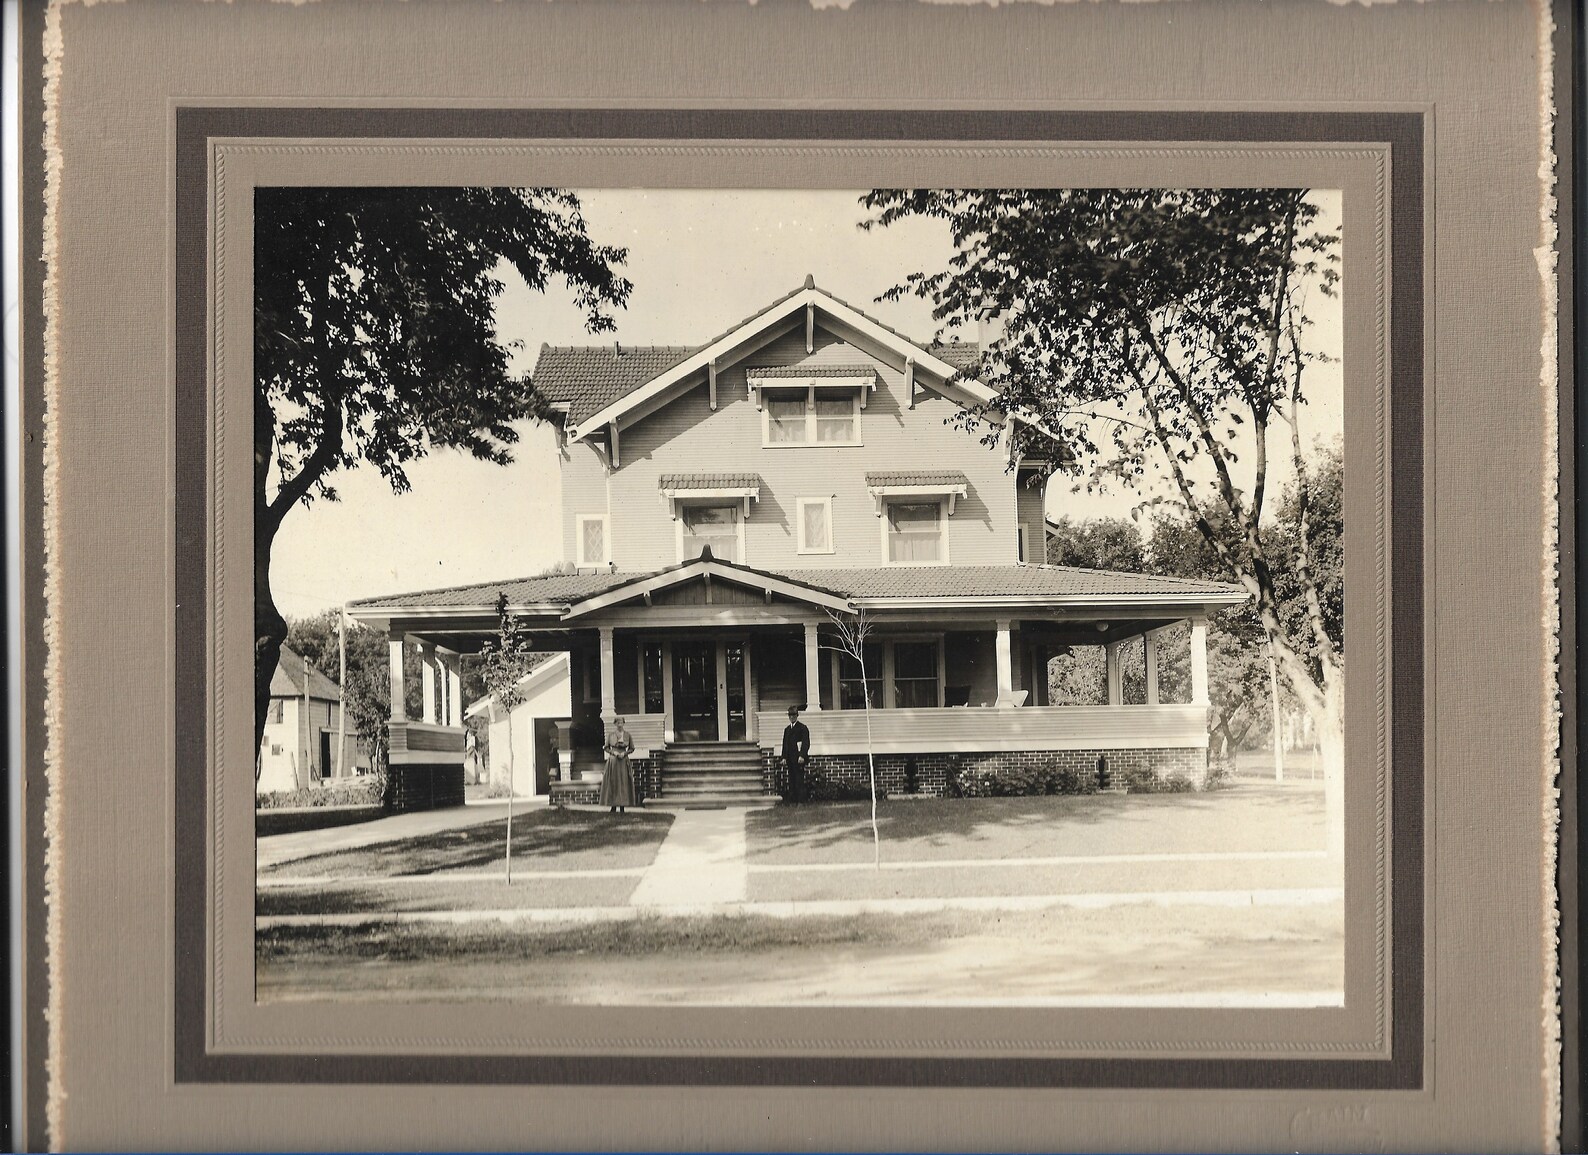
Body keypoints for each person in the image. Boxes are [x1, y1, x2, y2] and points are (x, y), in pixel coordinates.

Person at [599, 716, 638, 813]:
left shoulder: (627, 735)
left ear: (624, 723)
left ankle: (622, 807)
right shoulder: (611, 735)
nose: (619, 724)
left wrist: (624, 753)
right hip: (613, 761)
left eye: (621, 722)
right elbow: (606, 747)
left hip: (623, 761)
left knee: (623, 782)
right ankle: (613, 806)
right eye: (617, 723)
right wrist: (613, 753)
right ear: (615, 724)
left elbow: (632, 748)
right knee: (613, 782)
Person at [782, 705, 811, 803]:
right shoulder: (787, 730)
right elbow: (785, 744)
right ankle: (792, 800)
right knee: (791, 779)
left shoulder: (802, 728)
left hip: (799, 759)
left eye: (793, 715)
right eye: (790, 715)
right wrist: (784, 757)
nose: (791, 717)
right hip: (790, 759)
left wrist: (802, 755)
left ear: (797, 715)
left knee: (799, 780)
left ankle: (801, 801)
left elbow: (806, 743)